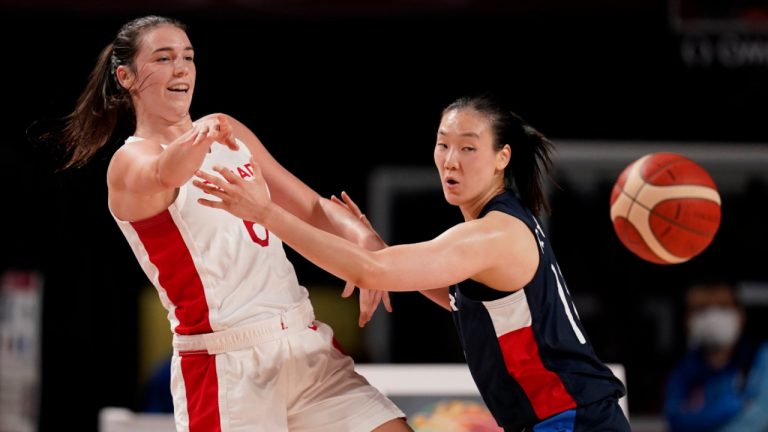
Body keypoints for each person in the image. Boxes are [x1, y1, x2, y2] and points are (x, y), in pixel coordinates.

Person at [55, 15, 411, 432]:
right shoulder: (130, 161)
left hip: (302, 340)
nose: (182, 67)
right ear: (126, 77)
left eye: (188, 56)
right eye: (164, 58)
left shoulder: (228, 131)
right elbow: (166, 173)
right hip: (227, 366)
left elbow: (311, 206)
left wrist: (363, 240)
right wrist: (201, 132)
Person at [193, 93, 631, 431]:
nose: (451, 161)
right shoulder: (502, 222)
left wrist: (266, 213)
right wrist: (374, 247)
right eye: (443, 145)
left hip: (572, 418)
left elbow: (371, 272)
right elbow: (459, 299)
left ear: (503, 158)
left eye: (468, 148)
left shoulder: (492, 234)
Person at [663, 280, 768, 432]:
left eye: (723, 306)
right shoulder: (683, 371)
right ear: (687, 320)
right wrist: (737, 405)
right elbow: (676, 420)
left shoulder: (761, 358)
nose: (713, 316)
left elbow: (759, 419)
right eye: (702, 308)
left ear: (741, 315)